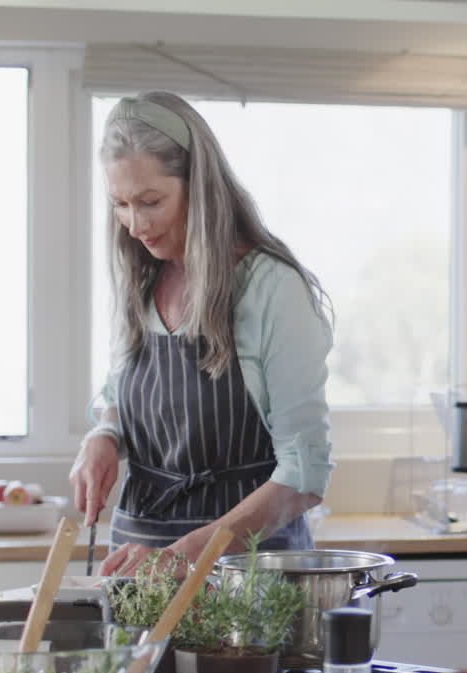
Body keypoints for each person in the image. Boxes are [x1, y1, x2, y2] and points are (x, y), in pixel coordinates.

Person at [69, 91, 334, 577]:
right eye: (121, 205)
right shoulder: (141, 278)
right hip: (137, 566)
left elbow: (305, 475)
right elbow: (119, 392)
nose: (136, 225)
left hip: (248, 577)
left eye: (151, 201)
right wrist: (105, 433)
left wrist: (185, 554)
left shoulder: (271, 289)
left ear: (201, 186)